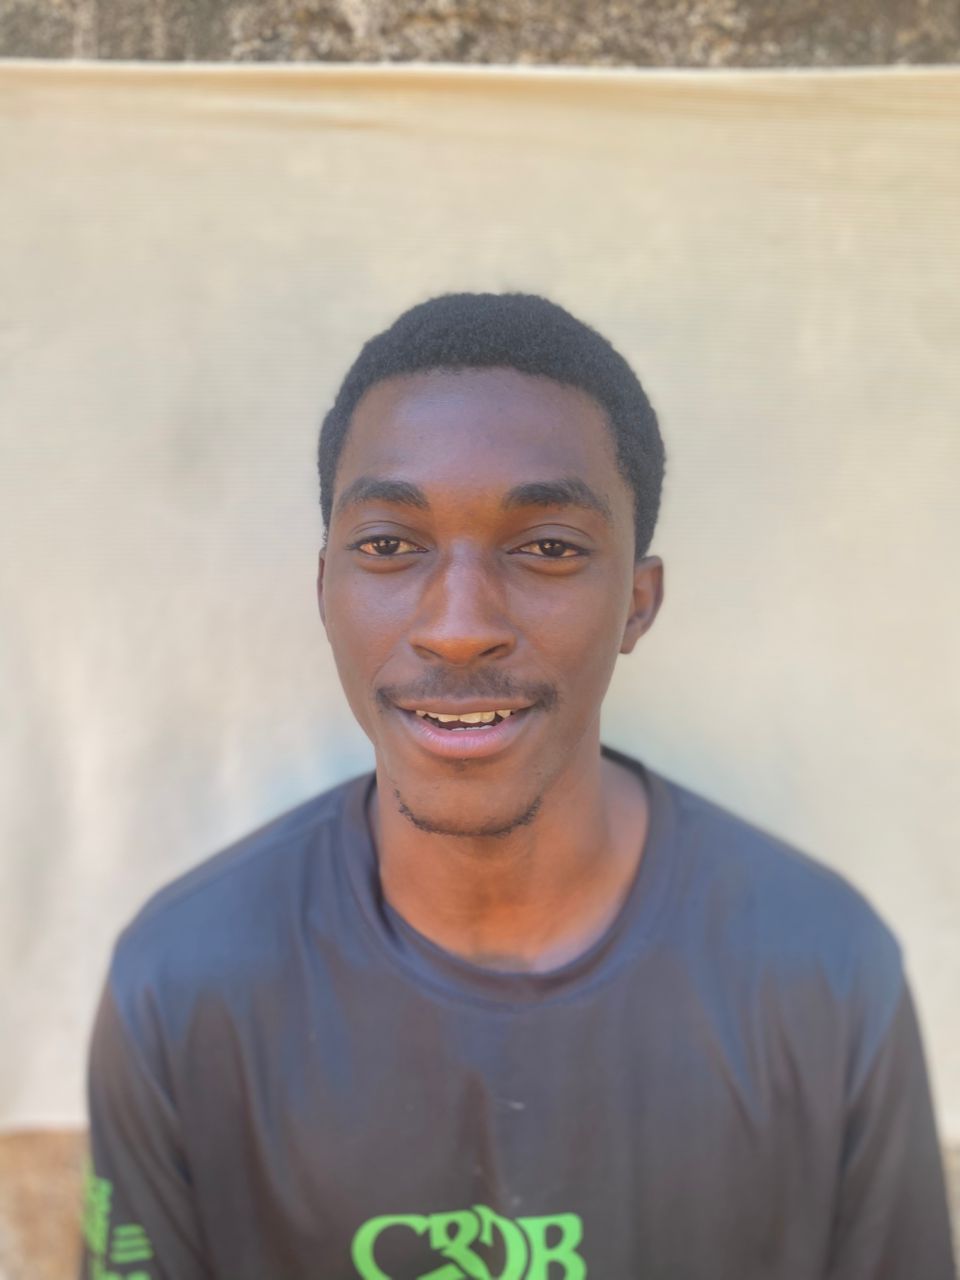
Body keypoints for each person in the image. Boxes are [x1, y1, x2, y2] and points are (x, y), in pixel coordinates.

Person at [80, 292, 956, 1280]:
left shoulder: (823, 971)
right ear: (325, 588)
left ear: (637, 602)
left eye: (548, 547)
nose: (459, 627)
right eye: (389, 545)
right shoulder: (184, 982)